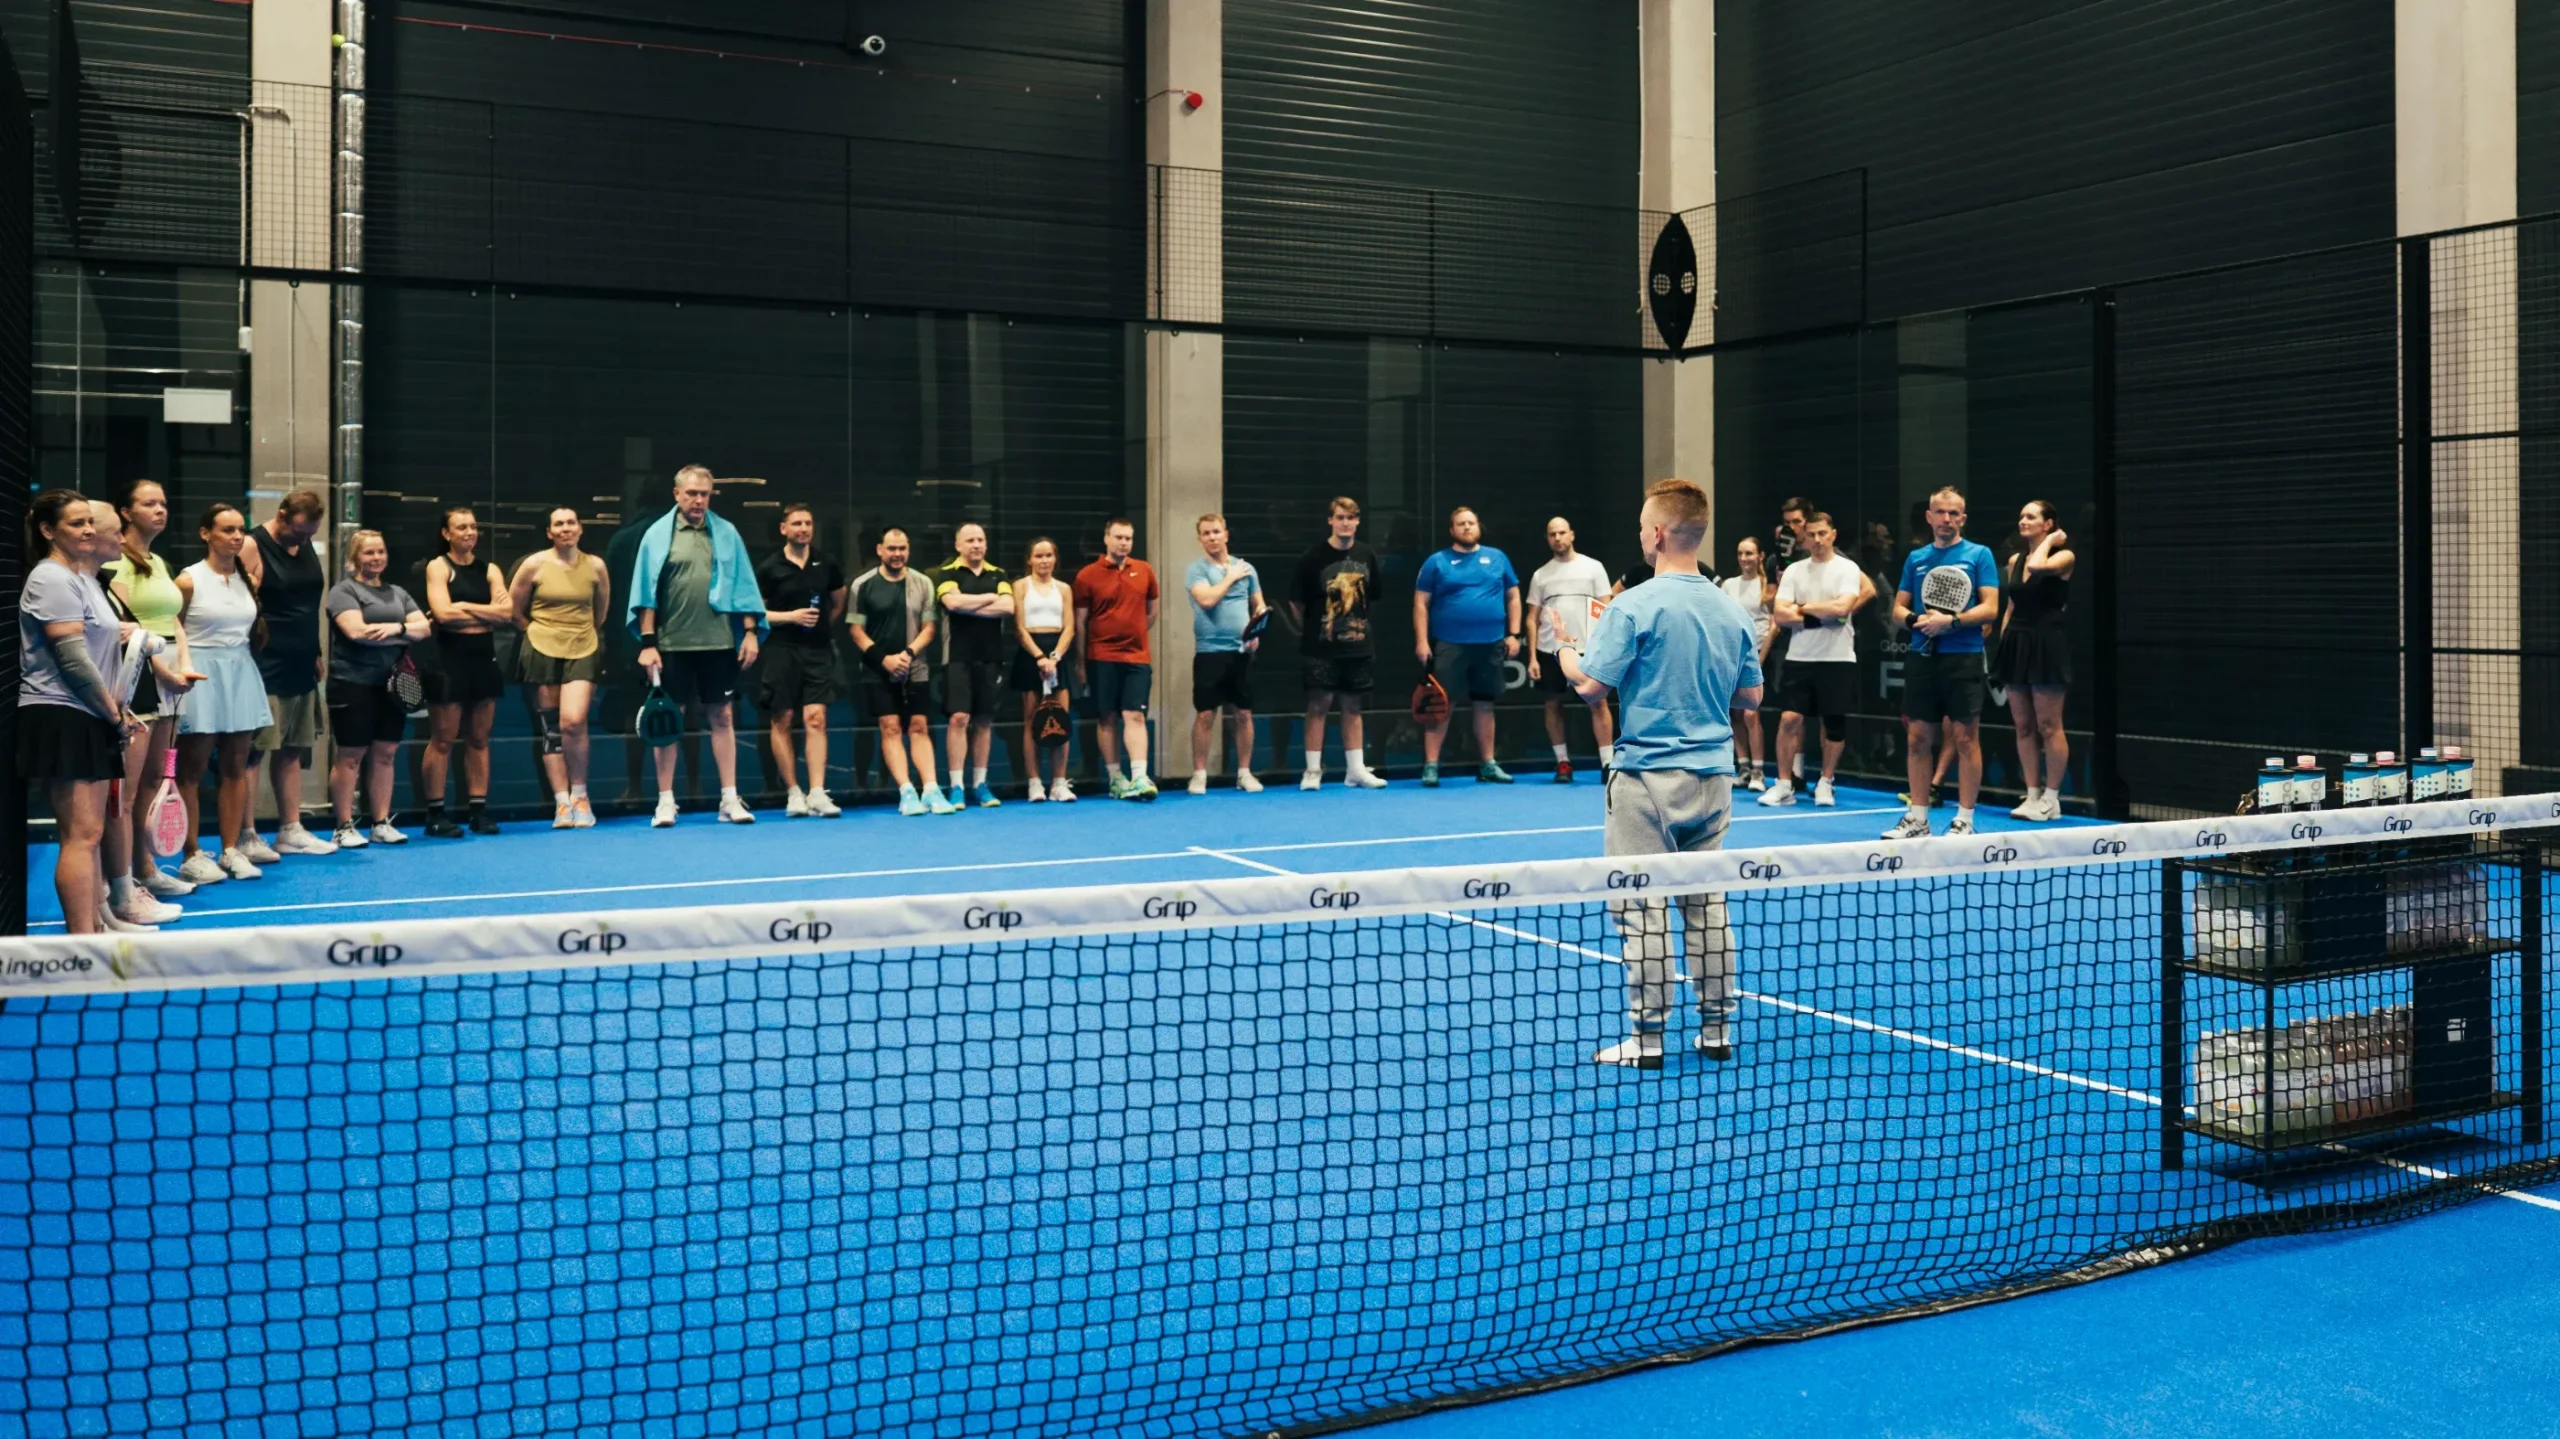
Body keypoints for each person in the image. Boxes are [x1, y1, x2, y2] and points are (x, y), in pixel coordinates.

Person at [1556, 478, 1763, 1069]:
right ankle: (1717, 1031)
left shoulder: (1633, 605)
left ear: (1657, 533)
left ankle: (1647, 1040)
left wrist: (1566, 649)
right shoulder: (1731, 608)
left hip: (1646, 778)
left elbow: (1591, 686)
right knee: (1707, 904)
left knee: (1640, 908)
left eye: (1642, 528)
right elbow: (1750, 698)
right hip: (1714, 779)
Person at [19, 490, 142, 935]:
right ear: (48, 530)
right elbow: (72, 660)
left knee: (89, 834)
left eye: (90, 521)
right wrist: (113, 714)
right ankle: (81, 944)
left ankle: (94, 931)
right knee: (81, 835)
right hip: (63, 714)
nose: (89, 530)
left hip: (90, 712)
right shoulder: (51, 578)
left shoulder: (82, 577)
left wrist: (116, 710)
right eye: (76, 523)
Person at [627, 465, 768, 827]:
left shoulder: (726, 533)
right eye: (691, 493)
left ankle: (729, 799)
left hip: (719, 643)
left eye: (704, 494)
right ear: (677, 494)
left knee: (723, 717)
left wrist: (750, 632)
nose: (698, 500)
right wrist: (648, 642)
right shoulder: (657, 535)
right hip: (671, 645)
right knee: (668, 720)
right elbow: (646, 592)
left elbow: (743, 586)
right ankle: (665, 801)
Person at [102, 479, 202, 912]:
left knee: (156, 778)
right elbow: (126, 627)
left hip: (170, 674)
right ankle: (119, 884)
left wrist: (184, 664)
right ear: (126, 512)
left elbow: (173, 620)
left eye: (163, 503)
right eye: (148, 503)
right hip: (138, 674)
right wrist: (163, 672)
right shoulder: (116, 562)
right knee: (126, 788)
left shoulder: (158, 561)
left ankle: (145, 868)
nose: (160, 510)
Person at [1884, 486, 2002, 839]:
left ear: (1962, 518)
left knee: (1965, 739)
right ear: (1929, 517)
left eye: (1953, 514)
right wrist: (1916, 621)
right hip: (1922, 658)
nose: (1946, 519)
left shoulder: (1979, 555)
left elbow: (1990, 608)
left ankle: (1964, 819)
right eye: (1940, 512)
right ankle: (1918, 819)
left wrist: (1950, 622)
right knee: (1917, 739)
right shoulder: (1916, 559)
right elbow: (1898, 609)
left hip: (1963, 658)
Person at [81, 501, 172, 930]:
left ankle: (117, 896)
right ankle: (110, 903)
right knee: (107, 811)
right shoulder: (68, 583)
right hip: (105, 709)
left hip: (132, 701)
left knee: (121, 803)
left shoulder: (102, 582)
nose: (122, 539)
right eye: (114, 530)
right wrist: (114, 712)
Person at [173, 503, 271, 884]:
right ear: (205, 534)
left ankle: (230, 850)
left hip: (241, 671)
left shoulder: (248, 580)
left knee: (236, 766)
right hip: (200, 674)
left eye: (240, 530)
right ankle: (192, 853)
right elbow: (174, 631)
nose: (236, 537)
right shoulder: (188, 581)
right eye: (227, 530)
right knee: (191, 769)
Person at [238, 490, 335, 860]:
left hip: (301, 662)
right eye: (298, 532)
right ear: (281, 515)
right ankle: (246, 834)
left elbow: (307, 606)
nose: (303, 539)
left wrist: (316, 652)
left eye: (310, 534)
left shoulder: (304, 543)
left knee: (293, 749)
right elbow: (240, 607)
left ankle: (290, 830)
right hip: (264, 664)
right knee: (253, 753)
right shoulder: (252, 545)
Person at [1758, 511, 1873, 809]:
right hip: (1799, 658)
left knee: (1833, 723)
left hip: (1838, 658)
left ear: (1833, 535)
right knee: (1789, 719)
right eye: (1812, 535)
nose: (1818, 539)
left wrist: (1802, 607)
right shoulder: (1795, 571)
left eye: (1823, 533)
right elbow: (1781, 614)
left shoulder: (1848, 568)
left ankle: (1826, 781)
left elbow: (1843, 609)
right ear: (1805, 538)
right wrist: (1820, 614)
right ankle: (1784, 785)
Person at [324, 531, 431, 848]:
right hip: (352, 682)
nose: (376, 558)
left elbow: (424, 629)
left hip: (393, 686)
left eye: (380, 552)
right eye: (369, 552)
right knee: (351, 755)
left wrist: (396, 628)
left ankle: (380, 823)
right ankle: (343, 826)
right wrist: (405, 634)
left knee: (386, 754)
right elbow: (357, 633)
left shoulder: (398, 593)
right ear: (355, 557)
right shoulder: (343, 591)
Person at [511, 507, 611, 829]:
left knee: (573, 721)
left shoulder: (596, 566)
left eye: (571, 523)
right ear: (549, 532)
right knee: (552, 728)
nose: (565, 528)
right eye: (558, 524)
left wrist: (580, 632)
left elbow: (601, 612)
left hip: (583, 648)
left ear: (580, 529)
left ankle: (580, 795)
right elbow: (515, 611)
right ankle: (562, 803)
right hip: (541, 649)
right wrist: (537, 632)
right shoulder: (533, 565)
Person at [416, 506, 512, 839]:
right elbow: (442, 614)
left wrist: (465, 607)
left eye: (473, 527)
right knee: (443, 738)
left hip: (483, 658)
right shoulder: (438, 566)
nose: (469, 532)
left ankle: (478, 811)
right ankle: (435, 814)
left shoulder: (490, 569)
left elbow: (507, 613)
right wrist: (487, 612)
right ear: (447, 534)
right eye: (461, 528)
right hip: (448, 658)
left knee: (479, 738)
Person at [1411, 506, 1521, 786]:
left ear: (1478, 526)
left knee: (1485, 705)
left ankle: (1488, 765)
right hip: (1450, 644)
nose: (1467, 527)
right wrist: (1422, 641)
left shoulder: (1497, 558)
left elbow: (1513, 597)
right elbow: (1421, 603)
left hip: (1490, 644)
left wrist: (1513, 634)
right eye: (1461, 524)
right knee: (1441, 705)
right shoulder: (1437, 562)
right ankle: (1431, 765)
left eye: (1471, 522)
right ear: (1452, 530)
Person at [849, 527, 954, 815]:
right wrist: (884, 660)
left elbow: (929, 629)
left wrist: (907, 655)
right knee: (891, 727)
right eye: (892, 549)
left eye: (902, 549)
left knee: (919, 726)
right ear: (880, 550)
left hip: (915, 668)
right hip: (877, 669)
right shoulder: (862, 585)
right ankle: (906, 792)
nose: (897, 554)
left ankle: (931, 790)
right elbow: (856, 631)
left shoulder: (923, 583)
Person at [756, 503, 848, 818]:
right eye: (797, 523)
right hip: (781, 649)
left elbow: (838, 601)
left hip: (818, 651)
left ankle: (818, 792)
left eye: (808, 523)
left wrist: (821, 627)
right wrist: (791, 617)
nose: (803, 529)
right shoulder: (769, 567)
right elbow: (756, 613)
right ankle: (794, 792)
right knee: (782, 718)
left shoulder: (826, 562)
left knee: (816, 718)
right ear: (784, 529)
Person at [1290, 497, 1388, 790]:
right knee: (1318, 704)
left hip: (1358, 645)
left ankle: (1355, 770)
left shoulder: (1367, 555)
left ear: (1357, 522)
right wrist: (1314, 630)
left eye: (1350, 518)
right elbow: (1296, 602)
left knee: (1353, 705)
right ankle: (1312, 771)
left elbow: (1374, 598)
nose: (1345, 523)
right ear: (1330, 520)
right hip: (1320, 647)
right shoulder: (1312, 557)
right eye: (1340, 517)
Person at [1995, 499, 2075, 822]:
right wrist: (2004, 646)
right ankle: (2031, 794)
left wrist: (2052, 540)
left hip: (2046, 643)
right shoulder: (2015, 560)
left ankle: (2051, 799)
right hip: (2017, 643)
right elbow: (2011, 607)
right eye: (2021, 516)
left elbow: (2039, 567)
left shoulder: (2063, 557)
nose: (2023, 521)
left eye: (2031, 516)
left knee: (2048, 725)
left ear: (2049, 523)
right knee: (2024, 725)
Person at [1073, 518, 1161, 801]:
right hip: (1101, 657)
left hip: (1137, 658)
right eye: (1119, 537)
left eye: (1128, 538)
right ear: (1106, 539)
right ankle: (1115, 779)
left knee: (1135, 715)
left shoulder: (1145, 571)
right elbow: (1080, 623)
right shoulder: (1087, 576)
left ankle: (1139, 777)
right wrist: (1081, 664)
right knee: (1107, 717)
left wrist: (1131, 634)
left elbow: (1151, 612)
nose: (1123, 543)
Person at [1523, 515, 1615, 783]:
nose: (1558, 538)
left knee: (1598, 702)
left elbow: (1606, 608)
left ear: (1571, 535)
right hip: (1549, 650)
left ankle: (1608, 763)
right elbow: (1531, 618)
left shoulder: (1594, 568)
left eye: (1562, 533)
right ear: (1548, 538)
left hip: (1589, 649)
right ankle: (1562, 762)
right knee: (1553, 704)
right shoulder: (1541, 575)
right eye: (1553, 534)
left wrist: (1605, 646)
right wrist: (1532, 658)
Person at [1185, 513, 1267, 795]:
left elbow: (1259, 605)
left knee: (1243, 713)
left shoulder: (1247, 569)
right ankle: (1199, 775)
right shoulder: (1196, 570)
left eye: (1216, 532)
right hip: (1209, 652)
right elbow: (1206, 599)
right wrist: (1230, 577)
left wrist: (1255, 631)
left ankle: (1244, 773)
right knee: (1206, 714)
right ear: (1200, 539)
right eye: (1206, 533)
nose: (1212, 537)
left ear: (1226, 535)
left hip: (1241, 653)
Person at [934, 522, 1014, 809]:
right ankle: (956, 786)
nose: (976, 545)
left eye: (980, 539)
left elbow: (1008, 607)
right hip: (957, 657)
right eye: (970, 540)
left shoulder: (999, 574)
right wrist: (990, 599)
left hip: (990, 657)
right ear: (958, 545)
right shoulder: (947, 573)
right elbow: (952, 604)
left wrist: (970, 605)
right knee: (959, 718)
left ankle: (980, 785)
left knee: (983, 720)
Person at [1011, 537, 1078, 802]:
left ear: (1055, 559)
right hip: (1031, 654)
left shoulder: (1064, 589)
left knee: (1060, 718)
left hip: (1057, 655)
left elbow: (1070, 627)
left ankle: (1059, 783)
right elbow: (1019, 627)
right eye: (1038, 556)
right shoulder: (1020, 586)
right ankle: (1035, 782)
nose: (1044, 561)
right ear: (1029, 559)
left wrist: (1055, 657)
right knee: (1032, 719)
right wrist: (1039, 657)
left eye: (1048, 555)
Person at [1721, 537, 1777, 791]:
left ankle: (1758, 772)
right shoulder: (1729, 585)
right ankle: (1743, 767)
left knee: (1751, 713)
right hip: (1733, 656)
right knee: (1734, 712)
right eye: (1741, 553)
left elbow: (1775, 623)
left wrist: (1761, 657)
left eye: (1750, 553)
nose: (1744, 558)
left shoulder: (1768, 586)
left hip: (1761, 655)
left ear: (1760, 556)